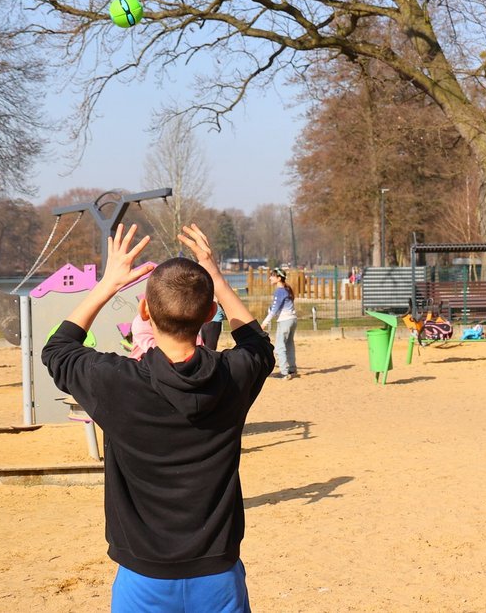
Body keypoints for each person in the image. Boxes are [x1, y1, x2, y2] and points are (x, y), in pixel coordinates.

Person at [41, 223, 274, 611]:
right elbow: (256, 342)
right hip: (217, 576)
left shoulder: (114, 381)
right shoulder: (234, 376)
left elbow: (58, 349)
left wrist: (107, 284)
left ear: (145, 311)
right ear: (210, 313)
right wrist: (214, 275)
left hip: (142, 577)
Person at [262, 267, 299, 379]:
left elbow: (274, 310)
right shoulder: (287, 290)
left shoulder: (279, 291)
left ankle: (284, 372)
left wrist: (264, 323)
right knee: (289, 345)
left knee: (279, 347)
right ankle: (292, 369)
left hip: (285, 321)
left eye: (272, 276)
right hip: (292, 319)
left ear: (278, 278)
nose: (270, 278)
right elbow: (277, 308)